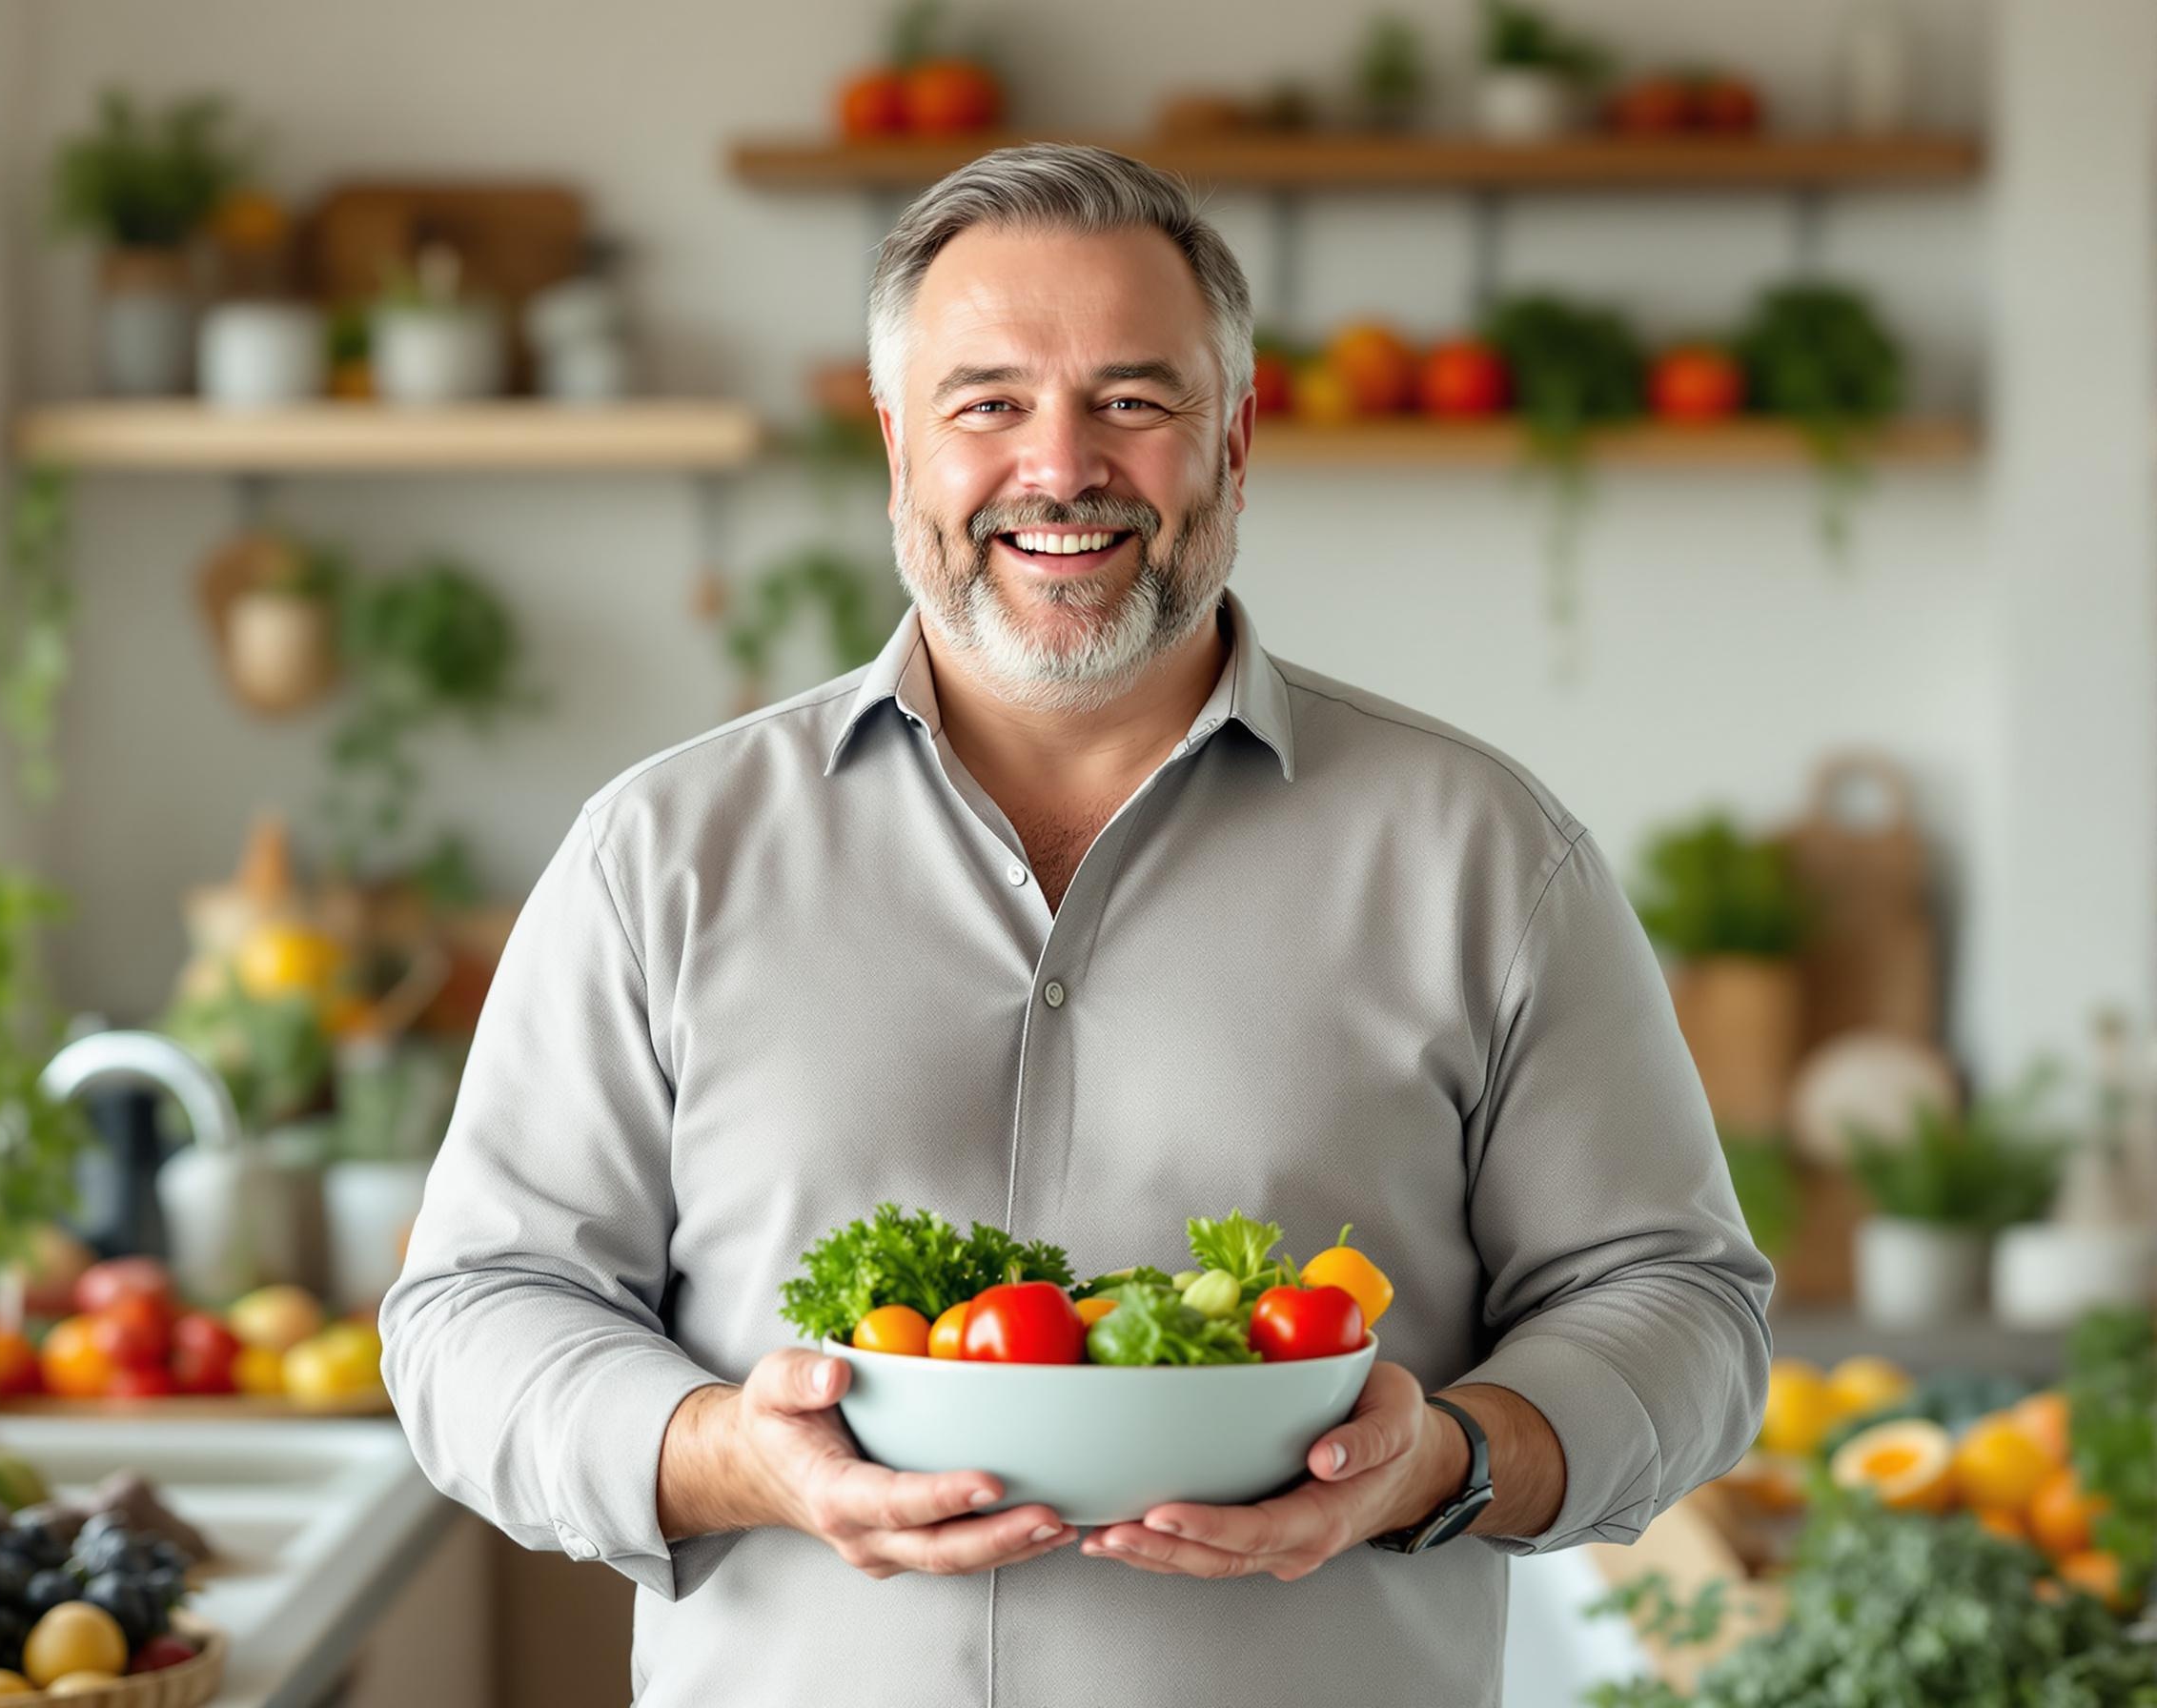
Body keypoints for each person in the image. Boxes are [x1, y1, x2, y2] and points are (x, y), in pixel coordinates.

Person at [380, 142, 1774, 1708]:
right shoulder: (661, 856)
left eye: (1133, 400)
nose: (1060, 467)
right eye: (987, 404)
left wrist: (1442, 1461)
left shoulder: (1485, 856)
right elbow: (472, 1319)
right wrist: (728, 1458)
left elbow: (1685, 1313)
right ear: (899, 445)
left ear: (1235, 444)